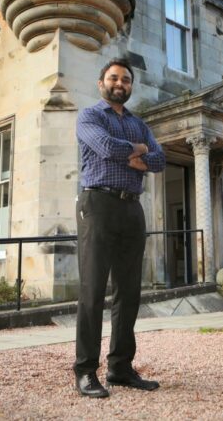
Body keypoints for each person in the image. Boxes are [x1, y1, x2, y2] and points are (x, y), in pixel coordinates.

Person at [73, 58, 166, 398]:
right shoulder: (89, 116)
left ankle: (120, 368)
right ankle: (85, 370)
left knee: (128, 294)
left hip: (132, 208)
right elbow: (107, 147)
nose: (120, 83)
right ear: (102, 83)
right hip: (98, 205)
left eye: (126, 79)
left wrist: (140, 155)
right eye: (114, 78)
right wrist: (138, 152)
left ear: (130, 86)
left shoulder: (139, 123)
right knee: (93, 290)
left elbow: (160, 159)